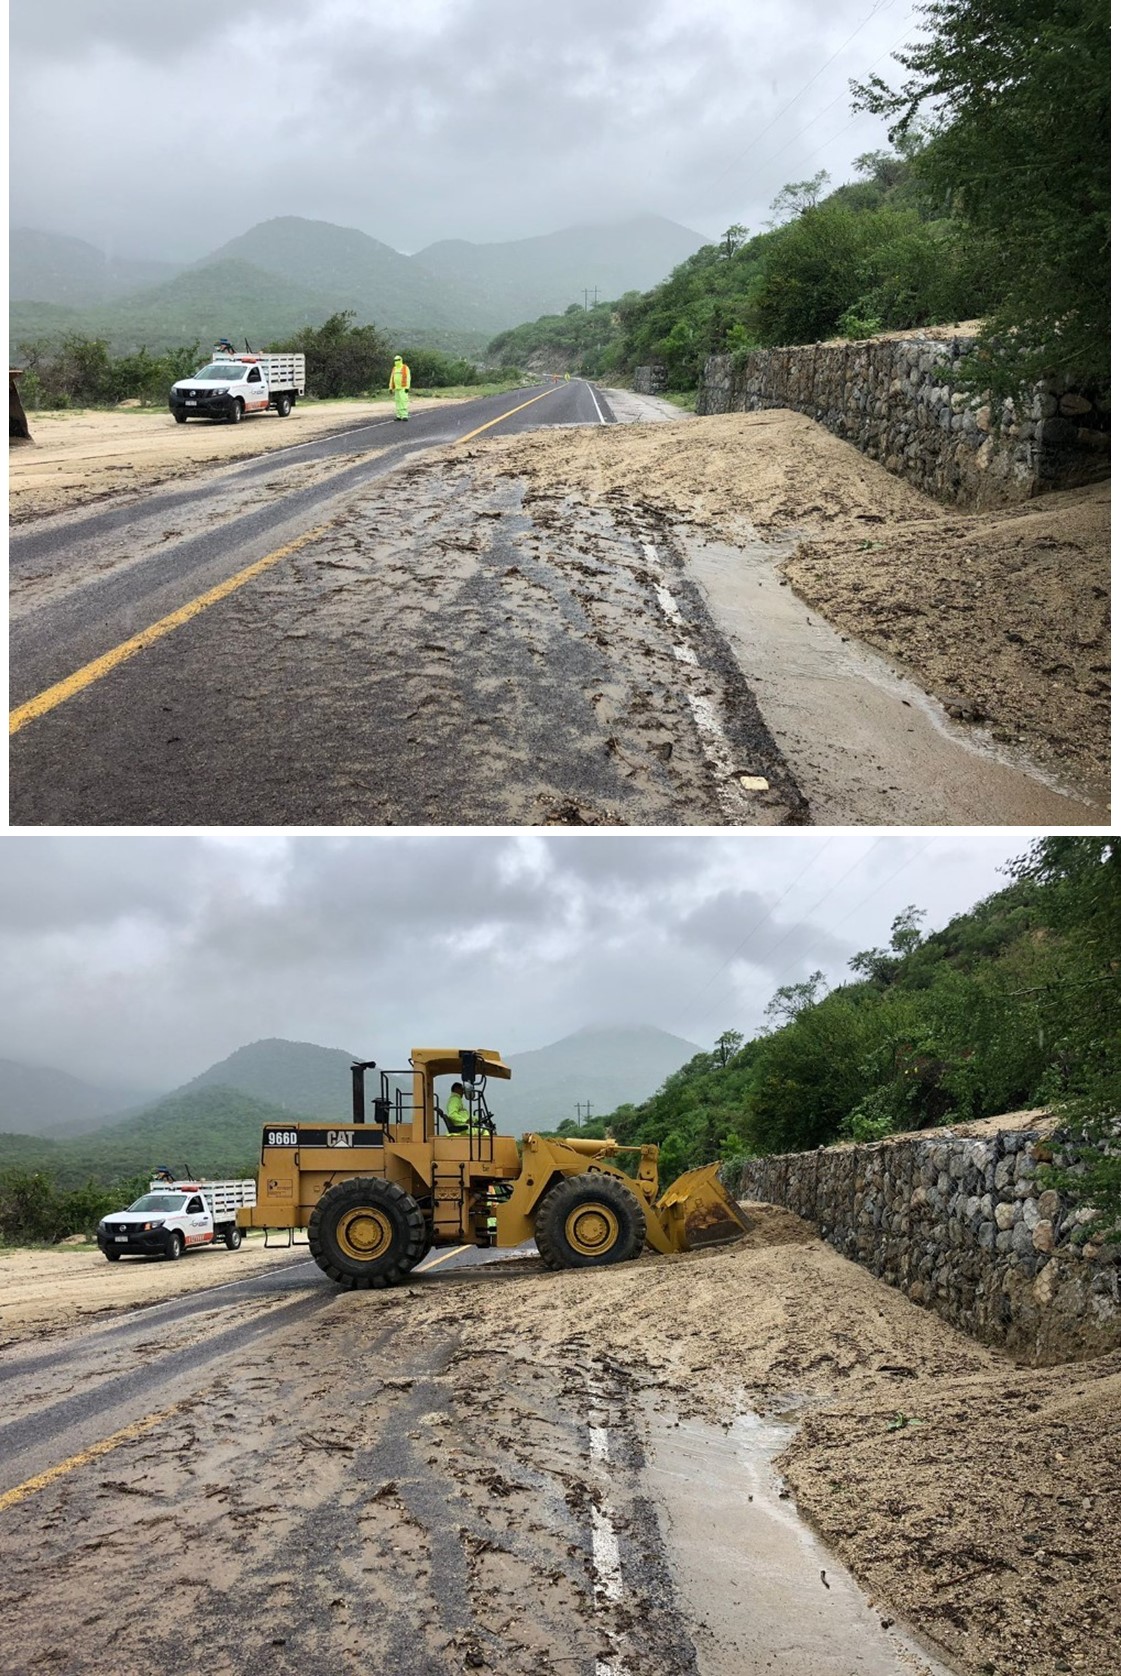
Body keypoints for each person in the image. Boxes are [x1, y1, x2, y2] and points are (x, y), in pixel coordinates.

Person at [389, 355, 411, 420]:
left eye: (398, 360)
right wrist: (390, 387)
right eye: (395, 360)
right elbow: (391, 378)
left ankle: (404, 415)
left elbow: (408, 377)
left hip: (403, 388)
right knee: (397, 401)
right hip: (396, 388)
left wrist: (407, 387)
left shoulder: (405, 367)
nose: (396, 361)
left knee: (403, 401)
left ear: (400, 360)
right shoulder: (394, 368)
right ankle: (398, 416)